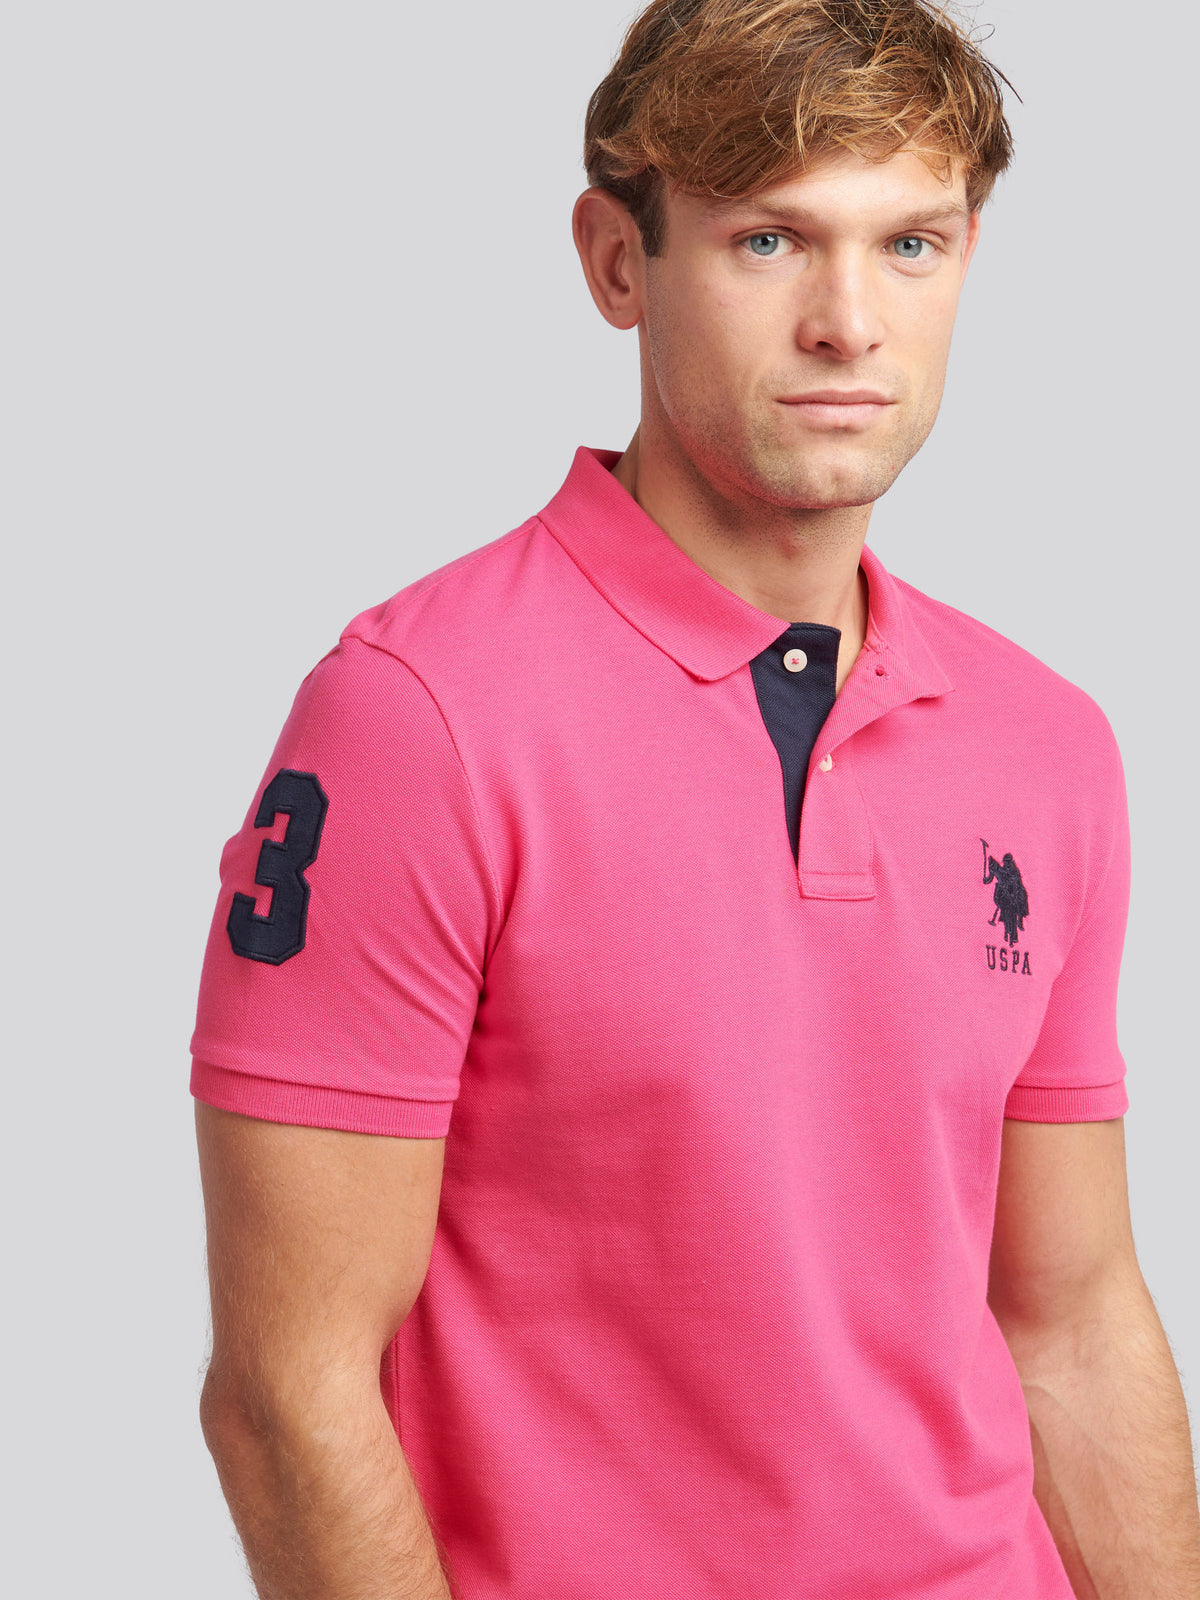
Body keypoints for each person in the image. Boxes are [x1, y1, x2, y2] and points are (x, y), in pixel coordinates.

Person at [190, 2, 1200, 1597]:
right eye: (769, 242)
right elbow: (286, 1394)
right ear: (618, 261)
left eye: (910, 245)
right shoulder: (415, 719)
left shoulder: (1048, 742)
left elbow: (1071, 1321)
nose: (849, 324)